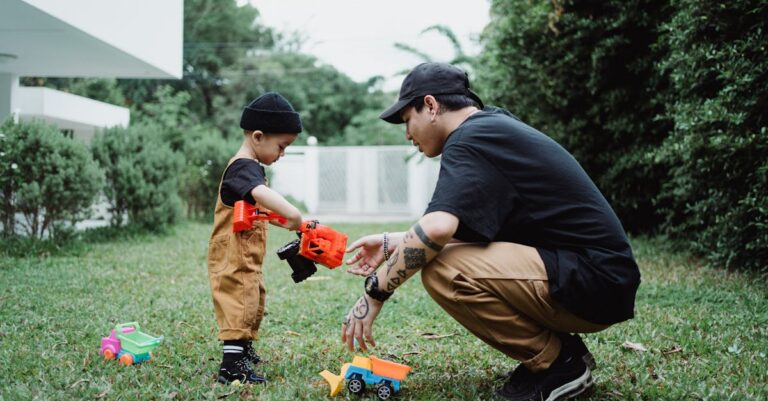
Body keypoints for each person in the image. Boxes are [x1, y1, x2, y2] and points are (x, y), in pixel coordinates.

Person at [341, 63, 640, 401]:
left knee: (441, 269)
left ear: (431, 106)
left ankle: (559, 364)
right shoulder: (491, 129)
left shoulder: (470, 139)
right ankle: (562, 351)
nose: (407, 134)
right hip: (596, 278)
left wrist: (374, 292)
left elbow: (437, 229)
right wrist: (391, 242)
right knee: (443, 257)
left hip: (592, 280)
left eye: (407, 120)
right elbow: (475, 230)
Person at [207, 92, 304, 385]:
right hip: (233, 253)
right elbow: (261, 195)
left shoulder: (251, 169)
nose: (282, 153)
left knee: (252, 297)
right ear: (258, 136)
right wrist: (294, 213)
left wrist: (286, 221)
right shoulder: (243, 166)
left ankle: (244, 351)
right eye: (282, 146)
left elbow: (255, 209)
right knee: (238, 300)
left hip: (245, 253)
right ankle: (231, 367)